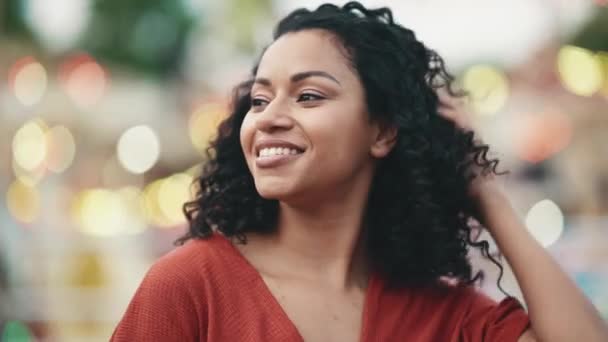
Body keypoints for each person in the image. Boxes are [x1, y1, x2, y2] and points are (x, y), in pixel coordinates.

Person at [111, 2, 608, 341]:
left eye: (309, 95)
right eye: (259, 99)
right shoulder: (191, 285)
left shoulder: (446, 316)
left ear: (382, 131)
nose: (268, 118)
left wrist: (484, 192)